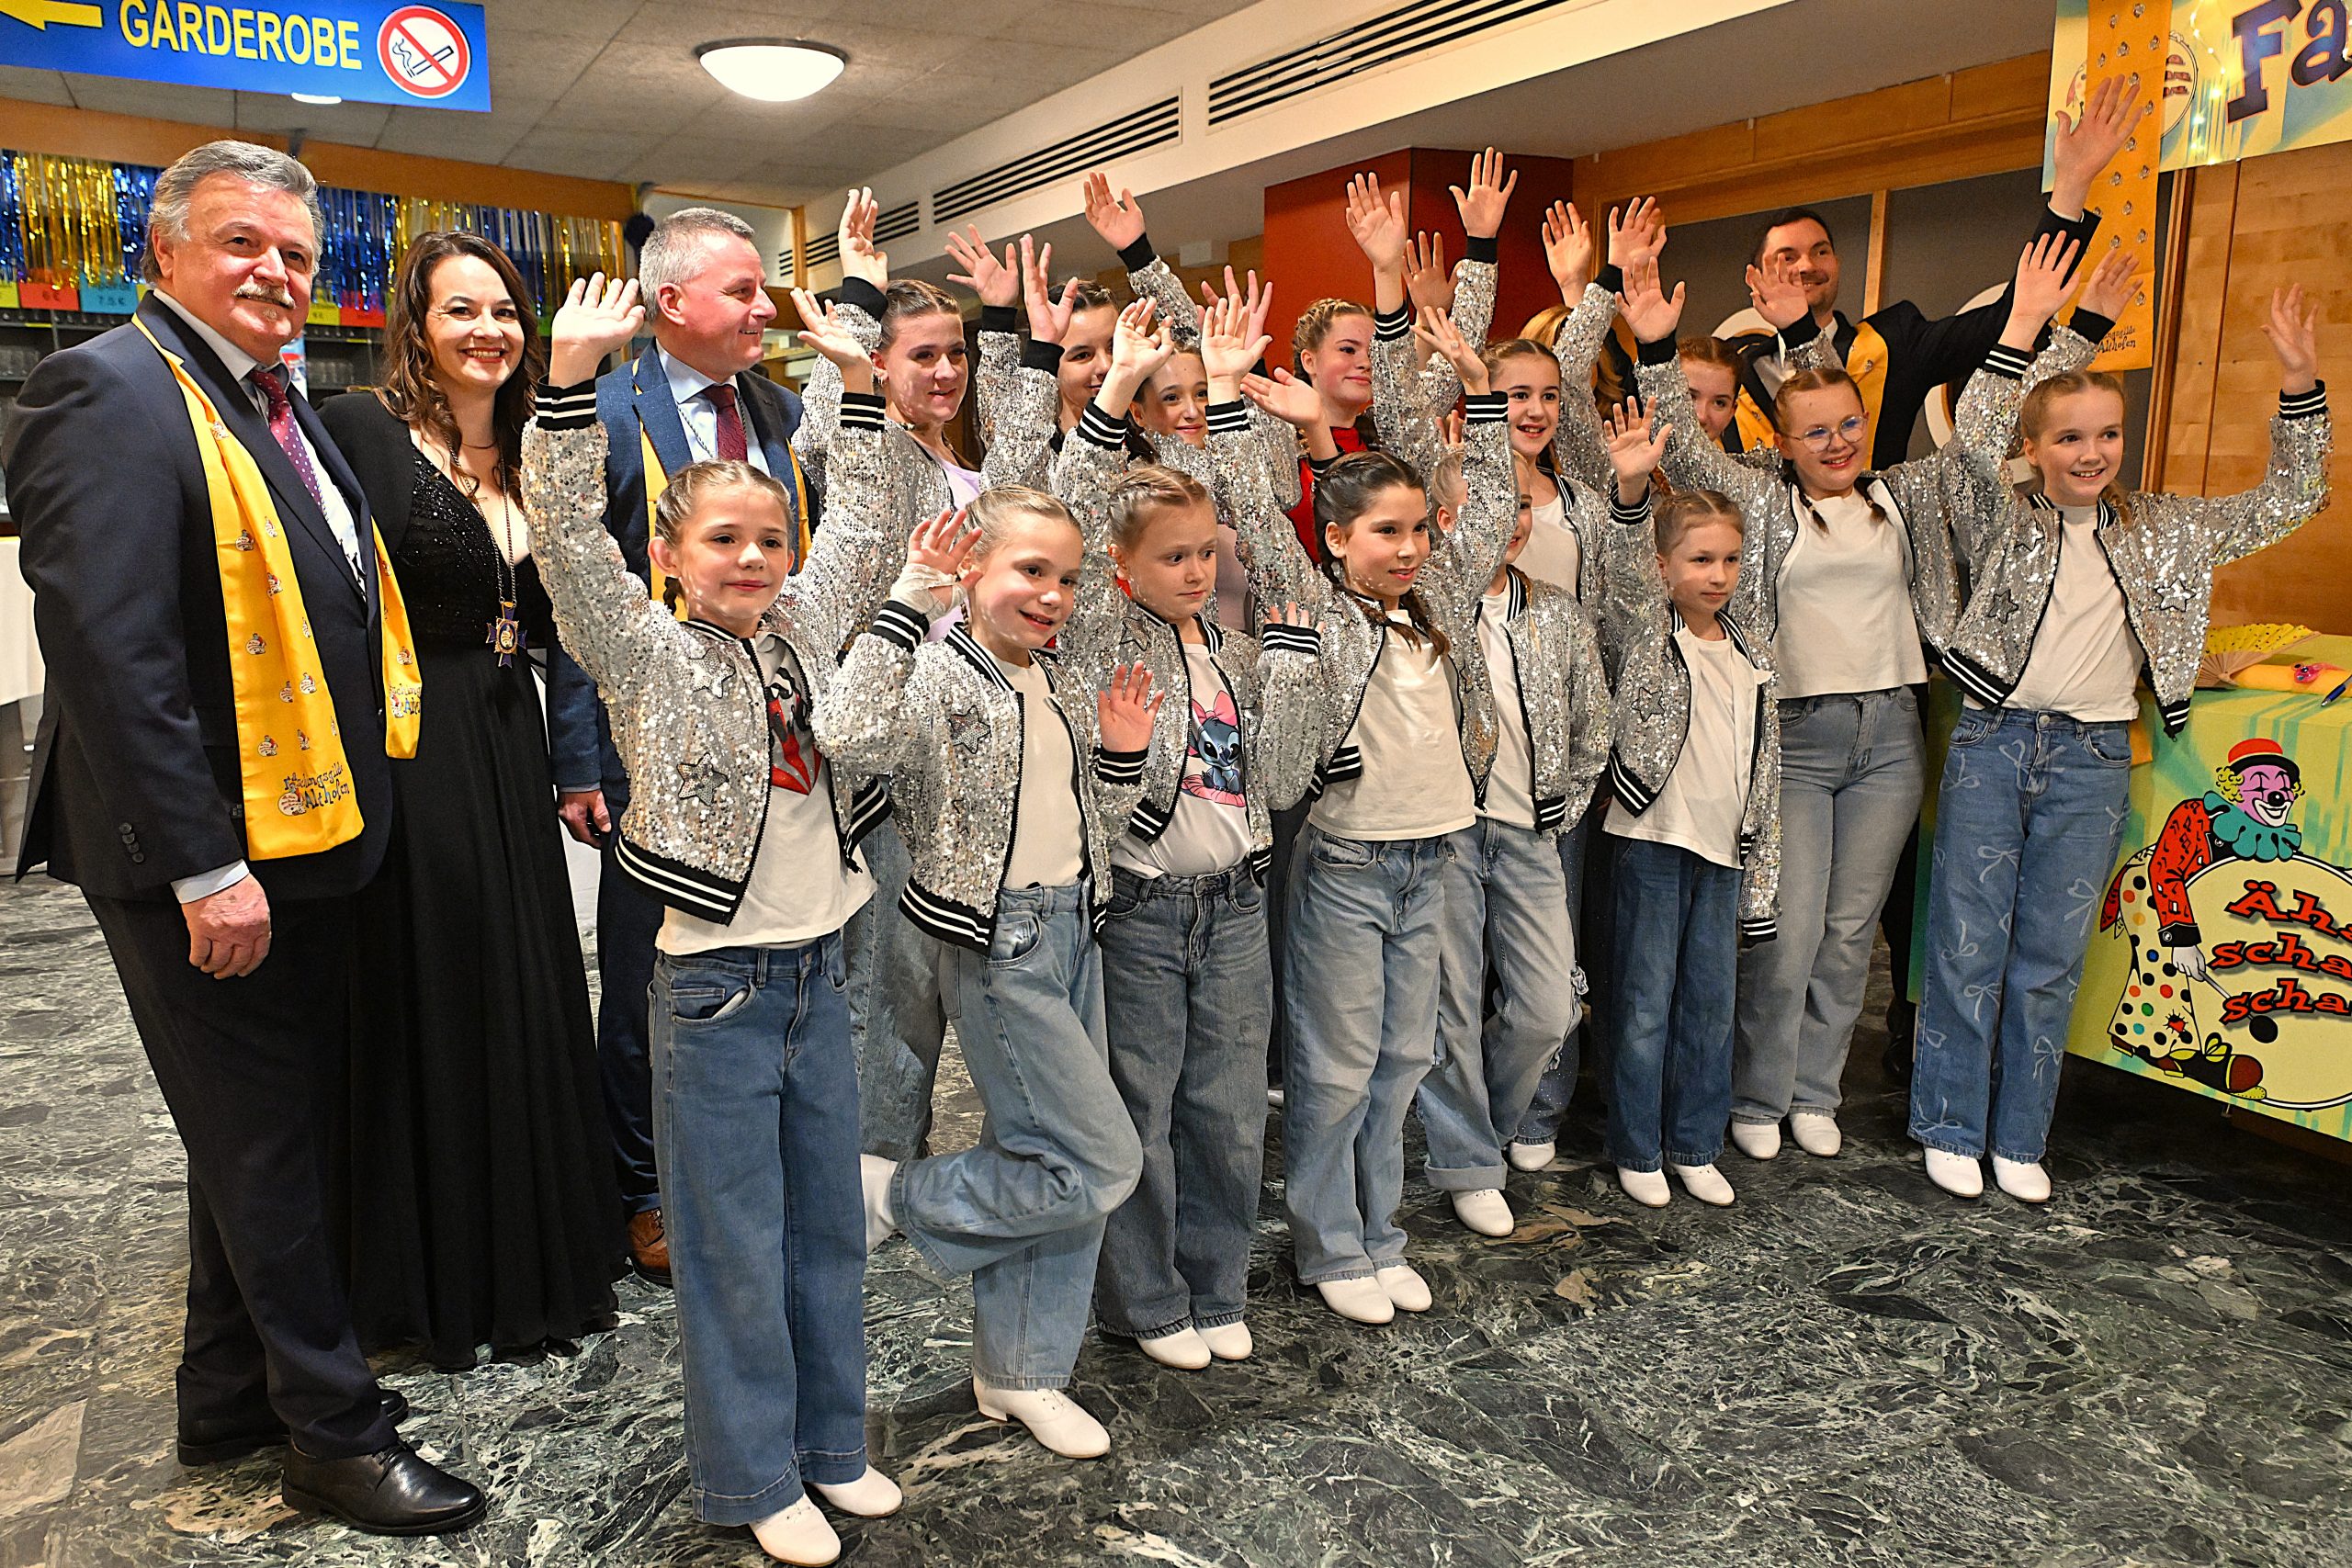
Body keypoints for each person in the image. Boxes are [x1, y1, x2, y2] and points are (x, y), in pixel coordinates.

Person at [5, 139, 481, 1533]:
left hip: (306, 830)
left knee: (257, 1130)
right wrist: (205, 863)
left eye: (295, 251)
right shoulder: (107, 389)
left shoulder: (278, 400)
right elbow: (112, 655)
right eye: (240, 242)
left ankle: (226, 1392)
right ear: (163, 253)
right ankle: (333, 1434)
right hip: (204, 852)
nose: (275, 271)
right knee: (272, 1146)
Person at [524, 272, 907, 1568]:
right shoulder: (645, 651)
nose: (752, 558)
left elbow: (862, 517)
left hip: (819, 971)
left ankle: (832, 1443)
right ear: (670, 559)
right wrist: (566, 390)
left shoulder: (805, 626)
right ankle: (752, 1471)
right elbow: (566, 541)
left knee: (829, 1226)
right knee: (735, 1244)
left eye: (769, 539)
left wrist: (854, 381)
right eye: (724, 540)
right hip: (716, 991)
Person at [1622, 236, 2130, 1164]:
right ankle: (1759, 1093)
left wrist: (2053, 328)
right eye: (1815, 431)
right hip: (1797, 738)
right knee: (1789, 932)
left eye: (1849, 424)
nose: (1837, 442)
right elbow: (1687, 447)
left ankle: (1815, 1092)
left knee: (1851, 933)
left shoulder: (1906, 496)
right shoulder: (1760, 502)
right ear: (1781, 443)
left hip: (1891, 735)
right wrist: (1655, 348)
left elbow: (1996, 426)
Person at [1912, 284, 2329, 1203]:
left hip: (2093, 758)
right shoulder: (1999, 516)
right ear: (2033, 449)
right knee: (1967, 947)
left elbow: (2291, 500)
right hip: (1992, 744)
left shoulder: (2161, 529)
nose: (2091, 452)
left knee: (2049, 960)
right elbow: (1975, 435)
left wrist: (2300, 383)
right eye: (2068, 437)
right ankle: (1949, 1125)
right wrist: (2052, 336)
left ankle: (2018, 1136)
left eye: (2106, 434)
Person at [318, 231, 622, 1367]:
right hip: (409, 739)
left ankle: (528, 1249)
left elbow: (571, 604)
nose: (487, 329)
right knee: (433, 980)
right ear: (417, 325)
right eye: (460, 310)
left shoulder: (541, 445)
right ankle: (431, 1274)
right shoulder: (360, 430)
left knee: (521, 974)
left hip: (506, 729)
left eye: (502, 310)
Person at [813, 488, 1160, 1461]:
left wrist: (1122, 763)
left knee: (1047, 1161)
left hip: (1076, 925)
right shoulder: (935, 674)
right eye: (1030, 570)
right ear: (972, 571)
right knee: (1101, 1162)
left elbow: (1091, 824)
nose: (1053, 595)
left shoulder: (1053, 679)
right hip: (1000, 946)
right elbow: (844, 734)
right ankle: (895, 1195)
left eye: (1068, 578)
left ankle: (1022, 1370)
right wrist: (905, 604)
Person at [1216, 281, 1516, 1321]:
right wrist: (1228, 395)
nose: (1410, 547)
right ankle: (1329, 1243)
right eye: (1386, 531)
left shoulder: (1436, 605)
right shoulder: (1312, 604)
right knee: (1338, 1066)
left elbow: (1494, 510)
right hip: (1348, 864)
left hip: (1435, 856)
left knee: (1402, 1057)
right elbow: (1256, 518)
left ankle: (1380, 1232)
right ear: (1337, 538)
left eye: (1419, 529)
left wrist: (1482, 399)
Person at [542, 205, 812, 1288]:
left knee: (764, 963)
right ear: (670, 302)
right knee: (649, 972)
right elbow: (579, 592)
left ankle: (751, 1163)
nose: (763, 309)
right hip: (649, 731)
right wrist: (579, 759)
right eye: (742, 290)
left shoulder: (782, 409)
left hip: (778, 735)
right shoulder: (610, 411)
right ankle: (645, 1190)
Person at [1052, 297, 1324, 1369]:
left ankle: (1216, 1284)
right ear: (1119, 570)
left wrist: (1231, 399)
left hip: (1237, 905)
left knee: (1226, 1110)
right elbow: (1073, 507)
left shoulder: (1235, 650)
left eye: (1205, 554)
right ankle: (1145, 1299)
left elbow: (1283, 773)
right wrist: (1119, 389)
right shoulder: (1099, 633)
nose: (1198, 573)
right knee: (1142, 1109)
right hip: (1144, 912)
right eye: (1173, 559)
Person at [1730, 74, 2141, 468]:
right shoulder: (1734, 373)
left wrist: (2071, 185)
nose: (1807, 265)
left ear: (1836, 264)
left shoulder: (1894, 343)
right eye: (1787, 257)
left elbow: (2008, 317)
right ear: (1756, 277)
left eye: (1820, 252)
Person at [1414, 428, 1611, 1236]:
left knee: (1546, 1005)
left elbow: (1593, 723)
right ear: (1445, 520)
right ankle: (1469, 1161)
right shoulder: (1430, 605)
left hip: (1531, 832)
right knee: (1452, 1003)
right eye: (1489, 508)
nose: (1511, 523)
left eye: (1522, 507)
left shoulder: (1557, 613)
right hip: (1451, 832)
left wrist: (1561, 804)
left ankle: (1482, 1128)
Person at [1586, 403, 1778, 1212]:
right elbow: (1623, 580)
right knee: (1642, 1003)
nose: (1718, 574)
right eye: (1700, 559)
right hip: (1653, 841)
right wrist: (1632, 490)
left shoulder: (1751, 650)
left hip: (1723, 852)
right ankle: (1638, 1146)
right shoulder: (1644, 628)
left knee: (1709, 1005)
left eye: (1730, 559)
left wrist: (1761, 860)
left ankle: (1694, 1142)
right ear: (1664, 566)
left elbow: (1764, 763)